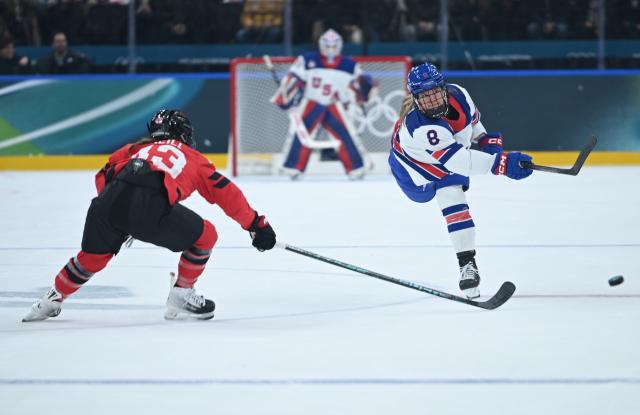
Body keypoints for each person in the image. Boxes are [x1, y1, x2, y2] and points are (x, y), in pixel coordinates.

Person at [23, 109, 277, 322]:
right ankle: (181, 295)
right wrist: (255, 224)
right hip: (148, 205)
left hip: (107, 202)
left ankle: (50, 300)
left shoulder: (135, 148)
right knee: (206, 235)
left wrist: (119, 212)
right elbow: (226, 193)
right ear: (183, 133)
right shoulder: (195, 159)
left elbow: (104, 174)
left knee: (91, 258)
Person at [389, 62, 533, 299]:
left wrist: (484, 139)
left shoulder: (459, 94)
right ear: (415, 98)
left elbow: (473, 123)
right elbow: (459, 162)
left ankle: (467, 266)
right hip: (413, 170)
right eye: (425, 96)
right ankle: (467, 265)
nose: (433, 100)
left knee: (451, 193)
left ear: (443, 88)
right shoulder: (421, 127)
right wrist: (501, 163)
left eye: (435, 91)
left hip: (446, 158)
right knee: (446, 186)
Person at [270, 28, 377, 180]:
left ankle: (356, 167)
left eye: (334, 46)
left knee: (346, 134)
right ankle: (293, 167)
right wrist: (286, 96)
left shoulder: (349, 65)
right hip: (311, 102)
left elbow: (359, 86)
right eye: (327, 46)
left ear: (339, 46)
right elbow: (293, 79)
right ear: (321, 45)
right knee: (301, 134)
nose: (330, 49)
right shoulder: (307, 60)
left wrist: (366, 89)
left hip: (335, 104)